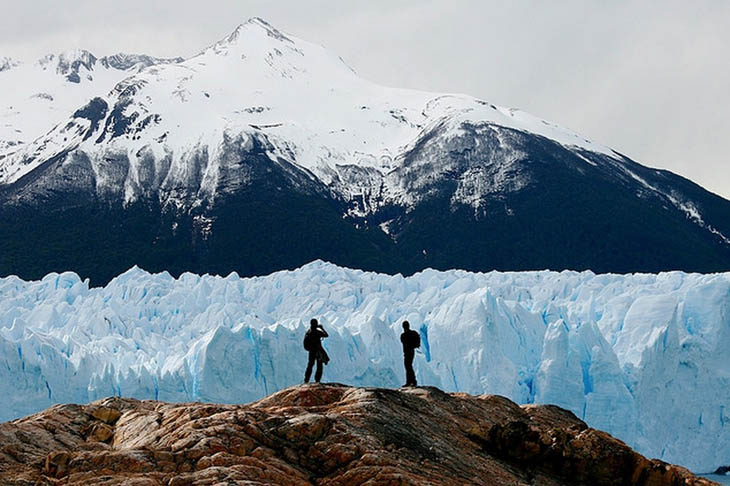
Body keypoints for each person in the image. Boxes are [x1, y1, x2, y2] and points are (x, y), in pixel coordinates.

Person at [303, 318, 329, 383]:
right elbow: (326, 335)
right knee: (319, 366)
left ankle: (306, 380)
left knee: (310, 365)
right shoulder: (317, 332)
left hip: (311, 351)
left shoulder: (308, 332)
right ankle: (317, 380)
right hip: (318, 351)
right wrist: (322, 328)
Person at [400, 320, 420, 387]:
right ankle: (412, 381)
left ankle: (410, 382)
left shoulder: (403, 335)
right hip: (412, 352)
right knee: (409, 366)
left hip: (407, 353)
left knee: (408, 366)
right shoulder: (413, 333)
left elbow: (403, 342)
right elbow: (417, 341)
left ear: (403, 327)